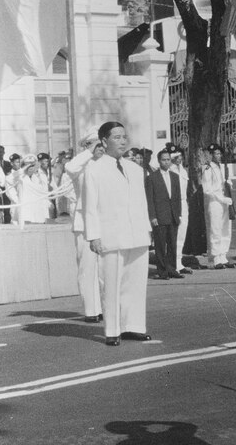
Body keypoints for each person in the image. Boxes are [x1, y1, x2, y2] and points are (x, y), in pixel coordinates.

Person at [82, 121, 152, 346]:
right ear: (104, 141)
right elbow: (90, 205)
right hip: (111, 235)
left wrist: (147, 231)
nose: (123, 141)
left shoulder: (135, 169)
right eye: (116, 137)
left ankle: (133, 326)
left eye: (124, 136)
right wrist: (93, 236)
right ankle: (112, 330)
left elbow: (141, 204)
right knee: (111, 283)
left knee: (136, 282)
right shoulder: (94, 168)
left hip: (137, 234)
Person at [64, 132, 104, 323]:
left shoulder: (106, 163)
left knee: (104, 269)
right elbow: (69, 167)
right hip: (84, 223)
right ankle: (91, 310)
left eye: (100, 144)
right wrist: (89, 151)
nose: (98, 149)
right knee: (87, 268)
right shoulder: (80, 165)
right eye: (94, 145)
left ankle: (105, 306)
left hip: (105, 222)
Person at [145, 148, 183, 280]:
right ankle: (162, 271)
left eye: (168, 160)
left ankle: (172, 269)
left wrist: (178, 214)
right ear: (159, 161)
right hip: (159, 216)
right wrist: (153, 217)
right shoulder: (152, 178)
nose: (166, 162)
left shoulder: (175, 176)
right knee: (161, 246)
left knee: (172, 245)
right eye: (163, 160)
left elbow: (177, 197)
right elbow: (150, 199)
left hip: (173, 216)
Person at [202, 143, 236, 270]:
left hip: (225, 200)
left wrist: (228, 184)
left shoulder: (222, 167)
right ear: (210, 155)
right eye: (215, 153)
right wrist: (221, 198)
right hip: (215, 201)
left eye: (219, 153)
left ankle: (223, 255)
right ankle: (215, 258)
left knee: (225, 228)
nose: (218, 156)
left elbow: (226, 182)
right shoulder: (207, 168)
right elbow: (207, 190)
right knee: (215, 229)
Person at [169, 145, 192, 275]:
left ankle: (179, 262)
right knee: (175, 234)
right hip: (175, 203)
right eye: (176, 157)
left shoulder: (183, 171)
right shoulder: (170, 171)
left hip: (184, 203)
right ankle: (173, 264)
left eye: (180, 157)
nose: (179, 159)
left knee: (182, 234)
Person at [18, 154, 49, 223]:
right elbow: (12, 177)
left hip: (38, 212)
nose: (30, 168)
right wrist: (24, 169)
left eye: (32, 166)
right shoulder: (20, 177)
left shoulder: (39, 177)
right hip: (26, 213)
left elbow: (44, 192)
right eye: (28, 166)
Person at [0, 145, 12, 223]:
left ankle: (7, 222)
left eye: (1, 152)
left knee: (7, 206)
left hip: (7, 188)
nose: (0, 154)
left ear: (4, 152)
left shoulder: (8, 163)